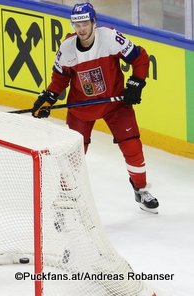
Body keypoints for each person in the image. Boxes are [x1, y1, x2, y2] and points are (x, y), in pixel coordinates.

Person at [30, 2, 159, 214]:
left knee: (132, 146)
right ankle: (66, 199)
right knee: (74, 154)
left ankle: (141, 189)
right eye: (76, 24)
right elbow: (59, 79)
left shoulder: (109, 38)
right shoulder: (67, 48)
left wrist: (136, 82)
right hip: (82, 108)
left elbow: (140, 57)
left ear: (93, 22)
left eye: (84, 23)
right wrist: (48, 97)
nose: (81, 29)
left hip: (115, 104)